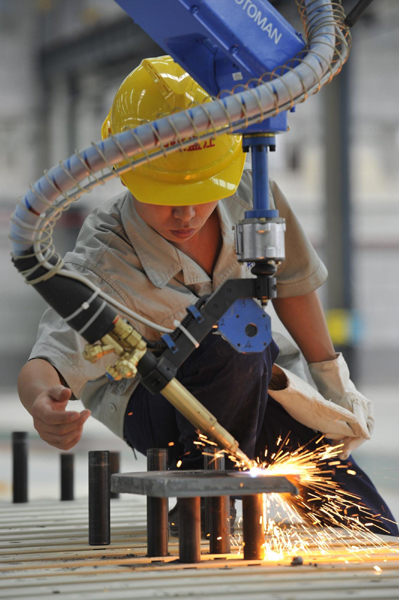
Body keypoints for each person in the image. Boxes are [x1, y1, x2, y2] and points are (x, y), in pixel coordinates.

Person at [17, 56, 397, 536]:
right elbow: (48, 358)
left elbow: (293, 285)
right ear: (129, 173)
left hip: (250, 385)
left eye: (201, 191)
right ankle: (204, 508)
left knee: (359, 512)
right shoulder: (103, 257)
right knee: (238, 341)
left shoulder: (249, 195)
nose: (187, 214)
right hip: (159, 409)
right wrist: (40, 402)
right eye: (167, 197)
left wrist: (329, 379)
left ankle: (371, 529)